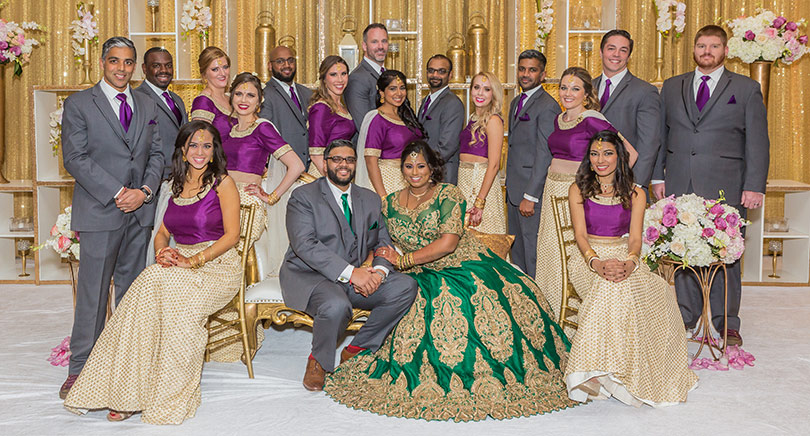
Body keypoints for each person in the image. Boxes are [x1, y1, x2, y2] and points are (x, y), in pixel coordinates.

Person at [325, 141, 575, 421]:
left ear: (432, 169)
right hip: (417, 271)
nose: (414, 172)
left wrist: (404, 261)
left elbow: (447, 244)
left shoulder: (449, 194)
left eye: (421, 166)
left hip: (462, 265)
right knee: (409, 299)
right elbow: (378, 240)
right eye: (408, 166)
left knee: (470, 303)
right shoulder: (390, 203)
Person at [64, 121, 243, 424]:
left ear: (214, 153)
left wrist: (195, 260)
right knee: (144, 288)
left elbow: (232, 236)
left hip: (217, 264)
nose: (200, 152)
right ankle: (126, 392)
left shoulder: (223, 183)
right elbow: (162, 231)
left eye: (207, 146)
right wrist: (162, 251)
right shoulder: (173, 185)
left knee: (176, 308)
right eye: (193, 145)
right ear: (183, 151)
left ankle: (167, 397)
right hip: (179, 262)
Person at [58, 36, 163, 400]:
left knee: (132, 295)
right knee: (93, 293)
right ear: (102, 62)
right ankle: (81, 369)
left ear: (136, 66)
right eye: (115, 61)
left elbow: (157, 155)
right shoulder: (78, 104)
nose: (122, 68)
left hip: (140, 213)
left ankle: (126, 365)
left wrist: (145, 193)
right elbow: (75, 158)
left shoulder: (148, 104)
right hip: (102, 210)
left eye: (128, 62)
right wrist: (120, 193)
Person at [652, 25, 770, 346]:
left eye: (714, 46)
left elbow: (758, 142)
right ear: (694, 49)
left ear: (725, 50)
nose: (707, 51)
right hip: (679, 181)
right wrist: (658, 176)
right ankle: (686, 316)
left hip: (727, 186)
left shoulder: (745, 89)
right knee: (683, 252)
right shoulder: (673, 86)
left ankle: (727, 322)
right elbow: (661, 136)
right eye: (701, 45)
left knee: (726, 254)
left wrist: (754, 185)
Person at [564, 130, 698, 407]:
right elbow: (580, 236)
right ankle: (595, 367)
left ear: (620, 158)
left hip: (625, 256)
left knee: (633, 286)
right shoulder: (577, 189)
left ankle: (607, 370)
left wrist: (630, 262)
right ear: (588, 159)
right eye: (594, 154)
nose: (600, 160)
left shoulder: (636, 193)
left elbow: (635, 238)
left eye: (608, 153)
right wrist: (596, 262)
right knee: (607, 284)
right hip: (586, 258)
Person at [279, 139, 418, 391]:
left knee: (406, 286)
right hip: (312, 276)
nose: (344, 165)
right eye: (337, 159)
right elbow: (305, 245)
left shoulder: (371, 199)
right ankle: (319, 362)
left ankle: (357, 349)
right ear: (325, 164)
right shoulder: (303, 197)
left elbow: (384, 241)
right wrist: (353, 273)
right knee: (336, 305)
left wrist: (379, 271)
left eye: (349, 160)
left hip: (358, 275)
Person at [534, 67, 636, 334]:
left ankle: (577, 326)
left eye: (575, 88)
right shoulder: (559, 119)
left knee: (571, 257)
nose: (568, 93)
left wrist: (606, 187)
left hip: (574, 192)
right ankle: (552, 319)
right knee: (551, 255)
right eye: (564, 87)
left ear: (587, 94)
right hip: (551, 191)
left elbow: (628, 153)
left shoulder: (592, 119)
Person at [506, 50, 561, 278]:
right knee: (516, 251)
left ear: (543, 74)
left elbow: (544, 153)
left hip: (530, 193)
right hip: (513, 189)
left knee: (532, 251)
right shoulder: (517, 101)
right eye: (522, 69)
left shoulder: (547, 106)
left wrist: (531, 195)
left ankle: (538, 303)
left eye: (532, 70)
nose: (525, 74)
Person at [134, 47, 189, 266]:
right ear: (144, 69)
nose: (164, 70)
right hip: (153, 185)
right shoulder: (138, 99)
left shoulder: (176, 99)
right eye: (157, 65)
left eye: (168, 65)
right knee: (149, 247)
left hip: (177, 183)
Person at [594, 29, 661, 189]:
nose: (616, 54)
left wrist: (634, 183)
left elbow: (649, 144)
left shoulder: (644, 91)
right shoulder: (588, 87)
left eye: (623, 50)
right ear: (601, 52)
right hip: (593, 183)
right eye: (611, 48)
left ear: (629, 56)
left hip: (627, 183)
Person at [356, 70, 425, 197]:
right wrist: (383, 197)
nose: (399, 93)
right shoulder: (377, 119)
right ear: (382, 92)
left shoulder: (406, 117)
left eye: (402, 88)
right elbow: (371, 160)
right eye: (393, 88)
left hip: (409, 180)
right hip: (387, 182)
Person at [457, 72, 506, 234]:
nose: (480, 93)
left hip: (482, 185)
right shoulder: (471, 118)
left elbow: (494, 165)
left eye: (486, 89)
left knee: (485, 238)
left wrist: (480, 202)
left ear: (494, 94)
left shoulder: (493, 121)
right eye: (477, 87)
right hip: (464, 182)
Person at [259, 45, 313, 169]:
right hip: (282, 167)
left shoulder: (307, 93)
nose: (287, 65)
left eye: (291, 60)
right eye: (280, 61)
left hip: (310, 168)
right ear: (270, 66)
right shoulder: (265, 94)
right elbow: (265, 133)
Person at [417, 54, 465, 184]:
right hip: (426, 174)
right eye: (431, 70)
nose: (435, 75)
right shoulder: (426, 100)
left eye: (441, 71)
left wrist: (422, 166)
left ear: (450, 75)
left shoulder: (452, 103)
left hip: (441, 175)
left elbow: (447, 147)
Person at [307, 55, 357, 177]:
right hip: (323, 175)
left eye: (343, 74)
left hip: (340, 172)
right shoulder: (321, 108)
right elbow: (315, 153)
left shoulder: (342, 106)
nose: (340, 80)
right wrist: (331, 181)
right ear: (324, 79)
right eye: (333, 75)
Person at [345, 23, 389, 132]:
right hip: (371, 146)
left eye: (384, 41)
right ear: (364, 46)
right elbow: (364, 126)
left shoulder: (388, 74)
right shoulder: (357, 79)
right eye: (374, 42)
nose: (380, 46)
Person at [191, 46, 235, 140]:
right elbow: (200, 143)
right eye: (215, 69)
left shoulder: (231, 97)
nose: (222, 73)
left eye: (225, 67)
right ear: (204, 74)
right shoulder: (204, 102)